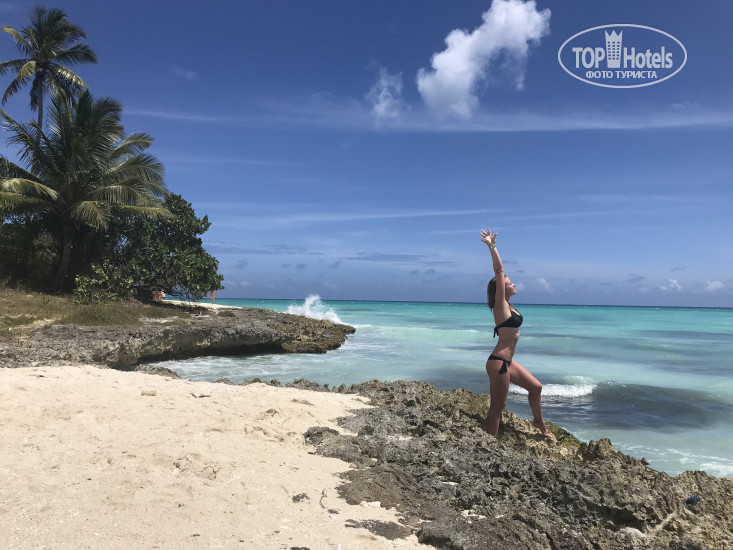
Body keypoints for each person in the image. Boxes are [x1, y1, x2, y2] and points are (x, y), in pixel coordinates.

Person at [480, 227, 551, 438]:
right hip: (499, 363)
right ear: (501, 289)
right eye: (509, 283)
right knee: (497, 407)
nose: (513, 283)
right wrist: (492, 246)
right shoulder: (501, 306)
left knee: (536, 387)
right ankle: (489, 444)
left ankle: (539, 423)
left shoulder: (509, 306)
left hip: (508, 362)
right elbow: (499, 271)